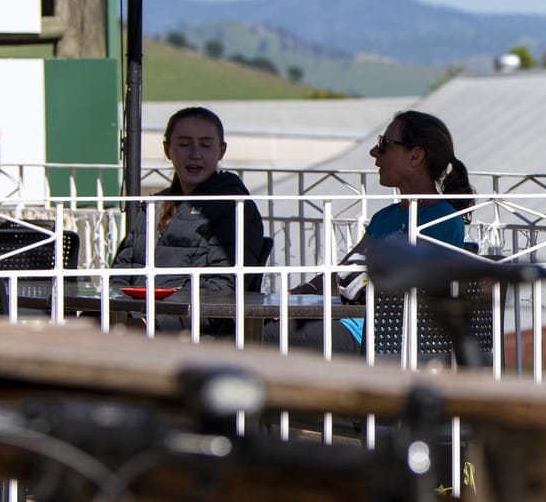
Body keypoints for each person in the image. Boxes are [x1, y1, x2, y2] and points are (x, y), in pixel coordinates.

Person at [291, 109, 475, 356]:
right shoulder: (384, 218)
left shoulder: (443, 220)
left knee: (267, 336)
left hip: (393, 338)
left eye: (384, 145)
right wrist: (300, 293)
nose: (374, 153)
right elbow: (342, 275)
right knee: (267, 327)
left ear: (415, 156)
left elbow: (411, 290)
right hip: (359, 327)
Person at [111, 105, 266, 295]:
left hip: (188, 322)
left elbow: (223, 287)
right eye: (184, 144)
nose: (195, 154)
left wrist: (151, 319)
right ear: (167, 149)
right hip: (136, 318)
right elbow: (120, 273)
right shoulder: (152, 207)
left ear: (222, 150)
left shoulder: (236, 208)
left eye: (206, 145)